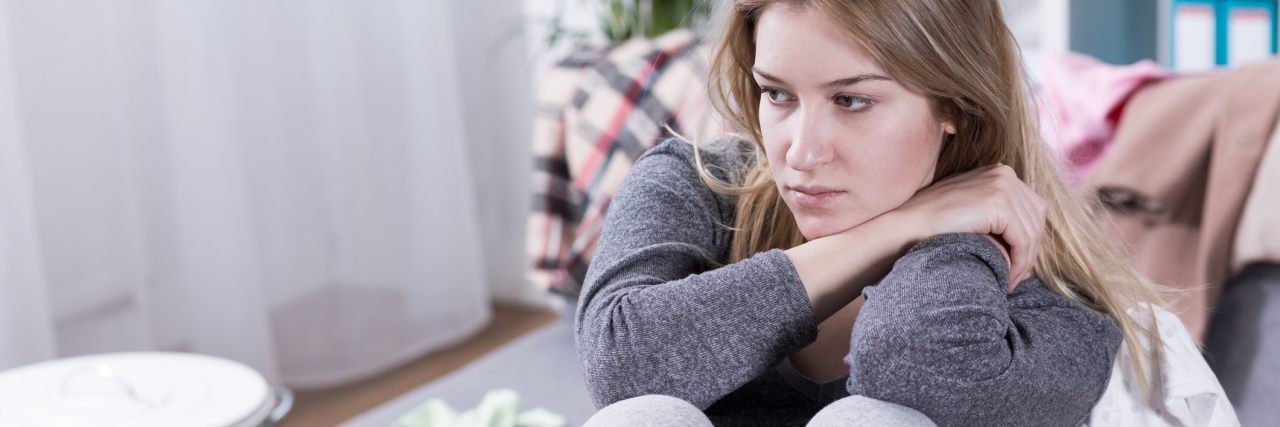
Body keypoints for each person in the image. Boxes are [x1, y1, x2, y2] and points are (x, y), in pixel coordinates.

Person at [576, 0, 1167, 425]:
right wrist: (903, 224)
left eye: (852, 99)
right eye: (777, 94)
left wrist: (957, 238)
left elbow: (913, 358)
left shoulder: (1048, 305)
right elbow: (621, 367)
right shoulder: (695, 184)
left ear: (955, 103)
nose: (801, 153)